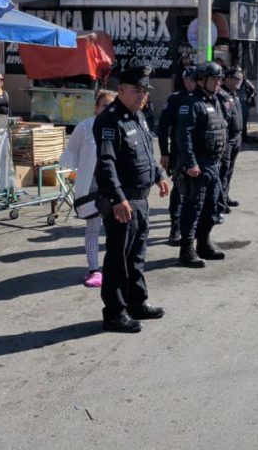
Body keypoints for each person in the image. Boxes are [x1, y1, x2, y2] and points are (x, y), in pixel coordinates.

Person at [93, 66, 169, 334]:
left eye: (145, 91)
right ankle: (114, 313)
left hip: (140, 199)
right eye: (137, 90)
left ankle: (137, 303)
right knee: (118, 259)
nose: (142, 96)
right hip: (123, 201)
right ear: (121, 89)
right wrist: (118, 198)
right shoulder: (109, 120)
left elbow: (146, 150)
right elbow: (106, 163)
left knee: (137, 255)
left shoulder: (138, 116)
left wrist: (158, 174)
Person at [59, 89, 116, 289]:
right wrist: (75, 175)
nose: (108, 110)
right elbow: (72, 153)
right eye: (104, 105)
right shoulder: (84, 127)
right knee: (93, 228)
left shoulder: (120, 126)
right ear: (96, 107)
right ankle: (94, 270)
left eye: (112, 106)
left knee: (116, 230)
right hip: (92, 187)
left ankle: (115, 267)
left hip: (116, 187)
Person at [176, 62, 228, 268]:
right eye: (213, 79)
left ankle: (204, 243)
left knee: (211, 207)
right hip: (198, 165)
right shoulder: (191, 103)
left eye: (219, 79)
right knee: (193, 208)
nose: (217, 83)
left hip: (213, 164)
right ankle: (186, 249)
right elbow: (184, 135)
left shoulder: (215, 101)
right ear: (201, 80)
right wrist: (190, 163)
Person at [157, 66, 197, 245]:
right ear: (185, 80)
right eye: (191, 79)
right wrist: (164, 153)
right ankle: (176, 226)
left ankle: (193, 226)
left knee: (197, 192)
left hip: (200, 154)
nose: (194, 83)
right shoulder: (175, 99)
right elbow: (163, 127)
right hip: (179, 153)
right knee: (180, 190)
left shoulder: (206, 98)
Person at [218, 66, 244, 213]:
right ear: (227, 79)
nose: (239, 81)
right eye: (236, 78)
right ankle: (220, 203)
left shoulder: (234, 95)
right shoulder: (221, 95)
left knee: (230, 171)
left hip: (236, 138)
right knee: (223, 171)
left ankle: (225, 196)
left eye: (241, 79)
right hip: (227, 140)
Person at [237, 75, 257, 144]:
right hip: (236, 103)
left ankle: (244, 138)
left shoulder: (246, 82)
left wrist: (250, 97)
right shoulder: (235, 82)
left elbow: (254, 91)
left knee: (243, 122)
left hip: (244, 104)